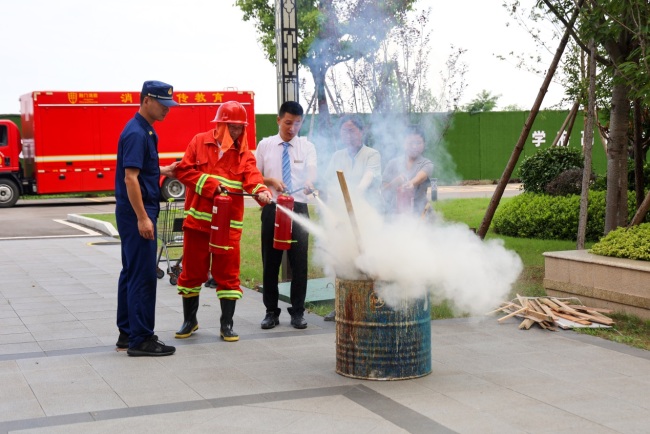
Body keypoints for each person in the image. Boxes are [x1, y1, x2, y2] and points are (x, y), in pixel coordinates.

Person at [174, 101, 272, 342]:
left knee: (228, 275)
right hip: (197, 225)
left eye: (240, 128)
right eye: (232, 127)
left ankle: (226, 324)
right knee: (192, 272)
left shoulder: (244, 155)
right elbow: (184, 172)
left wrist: (261, 190)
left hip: (228, 229)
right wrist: (212, 186)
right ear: (220, 124)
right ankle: (190, 320)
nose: (237, 132)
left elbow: (253, 176)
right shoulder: (199, 142)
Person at [115, 80, 179, 357]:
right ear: (146, 101)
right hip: (137, 212)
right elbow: (130, 179)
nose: (167, 109)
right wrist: (143, 218)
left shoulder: (145, 131)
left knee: (130, 272)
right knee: (143, 275)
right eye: (163, 104)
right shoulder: (137, 133)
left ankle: (127, 332)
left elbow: (142, 169)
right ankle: (141, 339)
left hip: (135, 211)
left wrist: (165, 170)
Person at [255, 101, 317, 330]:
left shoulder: (307, 147)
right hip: (273, 207)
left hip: (298, 207)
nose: (292, 128)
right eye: (288, 122)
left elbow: (312, 173)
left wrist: (310, 183)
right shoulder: (265, 145)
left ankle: (298, 312)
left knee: (299, 262)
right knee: (270, 261)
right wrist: (269, 181)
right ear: (279, 120)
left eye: (297, 123)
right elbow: (253, 175)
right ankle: (271, 311)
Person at [324, 115, 383, 210]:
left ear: (361, 131)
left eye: (351, 131)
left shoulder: (372, 154)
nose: (348, 135)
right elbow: (328, 181)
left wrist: (358, 191)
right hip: (343, 207)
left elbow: (369, 175)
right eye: (344, 131)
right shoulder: (337, 156)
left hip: (369, 206)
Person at [382, 125, 434, 216]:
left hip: (420, 213)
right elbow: (383, 189)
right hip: (395, 213)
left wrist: (411, 183)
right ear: (403, 143)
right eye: (411, 143)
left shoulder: (427, 163)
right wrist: (395, 182)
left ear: (424, 144)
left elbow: (421, 176)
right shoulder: (392, 163)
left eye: (418, 143)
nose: (414, 146)